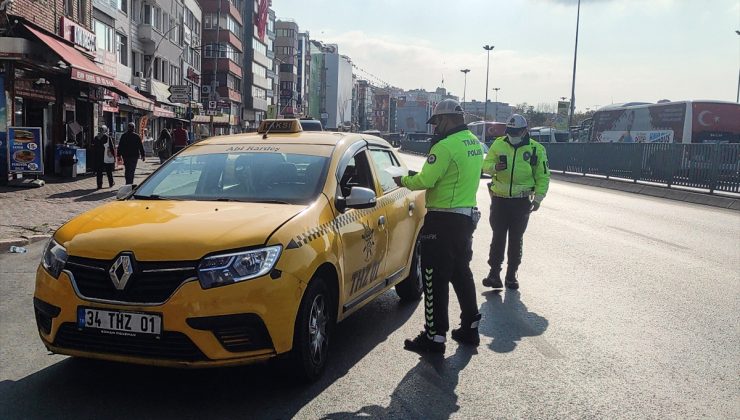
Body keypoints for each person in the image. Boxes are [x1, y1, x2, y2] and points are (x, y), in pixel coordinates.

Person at [393, 99, 484, 353]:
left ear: (446, 119)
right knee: (461, 272)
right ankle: (470, 325)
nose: (436, 129)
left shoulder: (445, 147)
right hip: (465, 217)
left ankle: (434, 336)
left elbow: (426, 179)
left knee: (433, 277)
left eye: (437, 123)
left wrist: (404, 180)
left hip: (442, 220)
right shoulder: (474, 144)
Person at [481, 114, 550, 290]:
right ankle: (494, 273)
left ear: (524, 131)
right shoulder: (498, 144)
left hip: (521, 201)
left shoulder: (536, 149)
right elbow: (485, 165)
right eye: (509, 131)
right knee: (498, 237)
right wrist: (494, 168)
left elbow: (542, 175)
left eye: (515, 132)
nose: (512, 135)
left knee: (515, 239)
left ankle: (511, 275)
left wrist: (539, 198)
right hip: (499, 199)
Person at [91, 125, 115, 189]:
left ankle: (99, 185)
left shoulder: (96, 137)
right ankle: (111, 183)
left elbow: (93, 147)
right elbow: (112, 147)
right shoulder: (107, 137)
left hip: (98, 157)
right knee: (108, 171)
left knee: (99, 172)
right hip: (106, 156)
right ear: (105, 130)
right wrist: (113, 156)